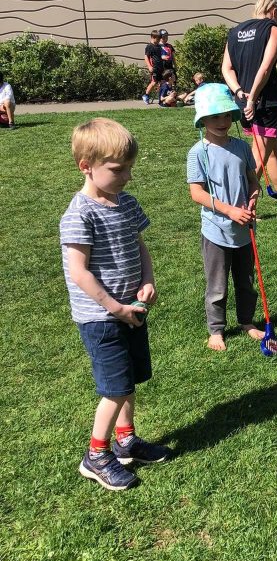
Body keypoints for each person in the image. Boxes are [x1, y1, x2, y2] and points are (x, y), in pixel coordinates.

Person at [59, 118, 170, 492]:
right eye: (117, 169)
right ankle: (96, 454)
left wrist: (147, 280)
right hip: (101, 317)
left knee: (129, 380)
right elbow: (79, 272)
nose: (126, 177)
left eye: (129, 168)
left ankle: (126, 441)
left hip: (130, 310)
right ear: (86, 166)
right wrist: (115, 307)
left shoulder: (125, 203)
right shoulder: (80, 214)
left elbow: (139, 246)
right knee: (115, 387)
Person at [187, 83, 265, 352]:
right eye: (214, 117)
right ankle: (216, 330)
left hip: (244, 229)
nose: (222, 122)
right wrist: (229, 210)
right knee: (217, 285)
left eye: (226, 116)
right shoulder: (198, 152)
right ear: (203, 119)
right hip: (216, 230)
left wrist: (254, 198)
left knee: (246, 281)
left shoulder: (242, 148)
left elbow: (254, 182)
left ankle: (247, 321)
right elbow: (196, 193)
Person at [222, 0, 277, 212]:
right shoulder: (273, 30)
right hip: (265, 103)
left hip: (243, 101)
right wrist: (253, 98)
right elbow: (265, 68)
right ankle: (242, 207)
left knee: (272, 151)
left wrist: (240, 92)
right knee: (258, 158)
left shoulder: (234, 32)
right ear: (274, 11)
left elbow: (226, 69)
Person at [142, 30, 163, 104]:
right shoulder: (149, 46)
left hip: (160, 67)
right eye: (158, 39)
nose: (159, 41)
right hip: (154, 68)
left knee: (161, 83)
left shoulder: (159, 46)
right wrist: (149, 66)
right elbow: (146, 57)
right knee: (154, 82)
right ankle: (146, 95)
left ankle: (161, 97)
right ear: (153, 37)